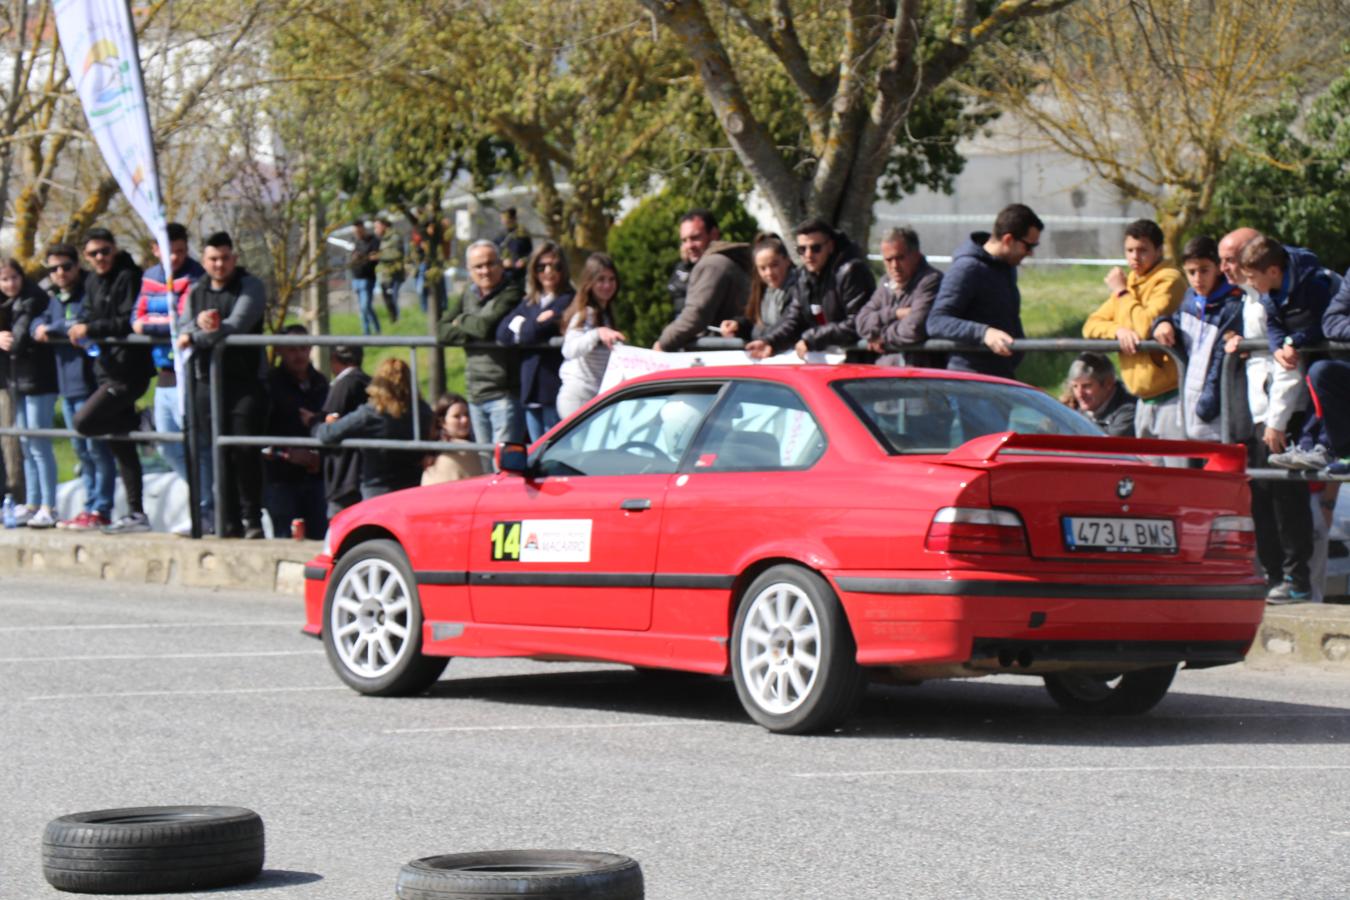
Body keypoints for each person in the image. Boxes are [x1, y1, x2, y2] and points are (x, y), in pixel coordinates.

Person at [1219, 228, 1315, 604]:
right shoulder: (1249, 295)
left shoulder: (1275, 296)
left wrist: (1277, 419)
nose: (1225, 267)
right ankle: (1273, 574)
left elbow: (1287, 364)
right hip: (1259, 407)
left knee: (1285, 496)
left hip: (1283, 409)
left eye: (1231, 259)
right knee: (1260, 493)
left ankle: (1295, 578)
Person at [176, 231, 267, 539]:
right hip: (205, 383)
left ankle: (252, 518)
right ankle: (227, 520)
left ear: (234, 259)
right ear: (204, 261)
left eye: (225, 258)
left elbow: (234, 325)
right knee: (216, 454)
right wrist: (196, 328)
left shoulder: (250, 286)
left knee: (244, 450)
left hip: (244, 383)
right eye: (213, 259)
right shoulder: (197, 289)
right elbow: (182, 325)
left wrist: (197, 334)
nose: (219, 264)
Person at [68, 228, 155, 534]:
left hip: (129, 371)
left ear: (115, 249)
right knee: (121, 444)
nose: (100, 258)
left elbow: (127, 320)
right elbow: (88, 313)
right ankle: (137, 513)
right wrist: (82, 327)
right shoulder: (91, 281)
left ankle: (144, 424)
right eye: (93, 254)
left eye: (105, 251)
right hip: (106, 368)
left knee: (83, 422)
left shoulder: (129, 276)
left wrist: (89, 328)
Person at [1081, 218, 1187, 456]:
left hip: (1172, 397)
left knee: (1175, 478)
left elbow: (1145, 325)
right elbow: (1091, 325)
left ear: (1159, 251)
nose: (1135, 257)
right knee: (1148, 482)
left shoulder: (1169, 279)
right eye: (1130, 250)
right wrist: (1118, 331)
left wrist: (1121, 292)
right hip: (1143, 400)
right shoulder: (1130, 283)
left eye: (1142, 250)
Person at [33, 243, 116, 530]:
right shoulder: (53, 297)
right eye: (53, 268)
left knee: (97, 449)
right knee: (80, 450)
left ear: (77, 266)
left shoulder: (86, 291)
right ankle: (89, 506)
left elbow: (77, 322)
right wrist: (39, 328)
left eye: (66, 266)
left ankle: (101, 508)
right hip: (66, 387)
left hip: (90, 384)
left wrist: (51, 329)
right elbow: (40, 322)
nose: (60, 273)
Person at [1242, 236, 1341, 470]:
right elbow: (1274, 324)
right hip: (1305, 346)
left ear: (1273, 271)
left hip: (1332, 350)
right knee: (1311, 391)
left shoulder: (1315, 285)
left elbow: (1326, 323)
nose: (1249, 283)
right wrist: (1278, 347)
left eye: (1252, 277)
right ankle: (1305, 448)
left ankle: (1322, 447)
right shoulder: (1270, 293)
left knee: (1323, 393)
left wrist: (1295, 340)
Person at [927, 203, 1042, 378]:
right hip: (970, 381)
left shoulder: (1008, 268)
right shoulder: (967, 268)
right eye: (1028, 246)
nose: (1030, 254)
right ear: (1008, 240)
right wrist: (984, 333)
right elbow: (936, 322)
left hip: (1000, 376)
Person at [132, 222, 204, 492]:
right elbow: (136, 318)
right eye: (168, 251)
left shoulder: (196, 276)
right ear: (155, 250)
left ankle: (205, 506)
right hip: (163, 373)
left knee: (197, 445)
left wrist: (152, 323)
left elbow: (183, 322)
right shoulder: (150, 276)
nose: (175, 257)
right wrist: (161, 322)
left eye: (181, 251)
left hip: (188, 374)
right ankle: (198, 497)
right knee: (167, 445)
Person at [1152, 235, 1245, 443]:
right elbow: (1174, 325)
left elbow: (1220, 360)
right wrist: (1161, 323)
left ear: (1218, 268)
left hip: (1218, 407)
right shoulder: (1189, 299)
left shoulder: (1231, 305)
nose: (1197, 279)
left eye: (1204, 270)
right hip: (1191, 399)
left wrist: (1206, 406)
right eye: (1191, 272)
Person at [745, 220, 875, 359]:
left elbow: (858, 323)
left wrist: (812, 338)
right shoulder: (803, 276)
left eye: (816, 248)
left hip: (858, 363)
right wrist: (769, 342)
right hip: (825, 360)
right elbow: (793, 320)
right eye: (801, 249)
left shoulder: (851, 271)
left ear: (830, 246)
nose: (808, 255)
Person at [438, 240, 524, 444]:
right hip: (475, 393)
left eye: (490, 264)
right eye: (478, 266)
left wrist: (461, 320)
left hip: (504, 394)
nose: (485, 271)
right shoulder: (468, 294)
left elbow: (486, 327)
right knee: (485, 461)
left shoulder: (512, 293)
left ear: (500, 264)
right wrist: (471, 331)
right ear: (469, 270)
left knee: (504, 466)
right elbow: (440, 329)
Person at [315, 357, 430, 499]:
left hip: (377, 489)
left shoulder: (372, 413)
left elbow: (326, 434)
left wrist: (321, 423)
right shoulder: (423, 412)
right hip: (413, 487)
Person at [0, 258, 60, 528]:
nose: (10, 283)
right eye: (4, 279)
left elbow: (18, 338)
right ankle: (33, 503)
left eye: (14, 277)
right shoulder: (6, 303)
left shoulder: (32, 298)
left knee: (38, 442)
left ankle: (49, 505)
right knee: (25, 442)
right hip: (17, 380)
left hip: (39, 379)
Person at [496, 242, 573, 441]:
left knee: (554, 450)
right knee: (535, 452)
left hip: (553, 389)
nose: (548, 271)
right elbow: (502, 333)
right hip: (530, 389)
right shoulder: (530, 301)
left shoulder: (569, 299)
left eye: (555, 266)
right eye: (542, 267)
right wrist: (535, 323)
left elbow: (539, 331)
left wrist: (523, 326)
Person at [262, 324, 329, 539]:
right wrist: (287, 453)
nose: (299, 355)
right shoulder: (269, 385)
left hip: (316, 477)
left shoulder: (321, 384)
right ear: (280, 351)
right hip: (281, 477)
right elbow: (259, 437)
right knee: (285, 538)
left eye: (303, 349)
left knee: (320, 539)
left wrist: (319, 458)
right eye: (292, 350)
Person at [855, 226, 945, 368]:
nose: (894, 265)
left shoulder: (931, 281)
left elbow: (914, 327)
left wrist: (883, 337)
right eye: (888, 260)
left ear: (915, 255)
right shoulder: (886, 282)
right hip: (886, 374)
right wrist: (895, 313)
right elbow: (861, 323)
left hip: (918, 373)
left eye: (900, 258)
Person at [558, 253, 625, 418]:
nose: (607, 285)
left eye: (611, 279)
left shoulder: (606, 313)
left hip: (597, 397)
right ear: (590, 283)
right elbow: (569, 349)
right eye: (601, 279)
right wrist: (597, 333)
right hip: (579, 398)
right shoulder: (586, 312)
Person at [318, 344, 370, 516]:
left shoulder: (344, 385)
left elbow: (331, 422)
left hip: (344, 471)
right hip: (364, 469)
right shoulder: (369, 382)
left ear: (334, 359)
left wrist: (313, 421)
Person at [721, 233, 798, 342]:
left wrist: (762, 339)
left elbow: (787, 327)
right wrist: (738, 325)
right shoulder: (764, 290)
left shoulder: (798, 290)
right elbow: (754, 320)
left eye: (774, 265)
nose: (769, 273)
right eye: (762, 268)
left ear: (787, 260)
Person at [1065, 352, 1135, 438]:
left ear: (1108, 383)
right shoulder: (1072, 406)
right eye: (1075, 386)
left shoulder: (1128, 410)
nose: (1079, 394)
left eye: (1086, 386)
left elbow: (1106, 446)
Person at [422, 392, 485, 485]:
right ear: (442, 422)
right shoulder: (447, 457)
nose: (465, 420)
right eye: (457, 416)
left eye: (467, 414)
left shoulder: (474, 450)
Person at [669, 209, 719, 318]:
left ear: (714, 234)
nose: (689, 246)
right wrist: (686, 266)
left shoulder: (723, 267)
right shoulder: (683, 267)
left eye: (695, 238)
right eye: (684, 240)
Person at [349, 220, 380, 335]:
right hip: (356, 277)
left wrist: (363, 257)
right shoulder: (353, 241)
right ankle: (374, 330)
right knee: (365, 308)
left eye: (358, 231)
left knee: (364, 307)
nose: (357, 234)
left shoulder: (373, 240)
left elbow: (375, 257)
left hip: (368, 278)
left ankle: (368, 332)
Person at [374, 217, 405, 325]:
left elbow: (397, 254)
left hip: (395, 273)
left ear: (384, 226)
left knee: (393, 297)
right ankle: (393, 320)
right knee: (387, 298)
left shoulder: (395, 237)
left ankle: (398, 320)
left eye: (377, 227)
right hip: (385, 274)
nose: (375, 230)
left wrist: (380, 256)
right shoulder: (382, 239)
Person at [495, 207, 532, 280]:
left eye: (505, 218)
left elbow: (530, 252)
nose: (503, 221)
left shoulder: (522, 234)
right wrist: (503, 262)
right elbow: (494, 254)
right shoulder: (500, 235)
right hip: (503, 274)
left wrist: (524, 260)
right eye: (502, 218)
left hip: (519, 274)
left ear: (513, 219)